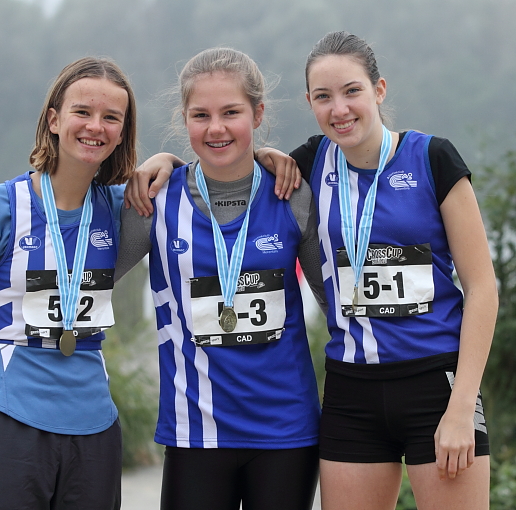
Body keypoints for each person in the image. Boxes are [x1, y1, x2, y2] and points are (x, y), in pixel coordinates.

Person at [132, 32, 498, 510]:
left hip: (437, 384)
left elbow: (482, 288)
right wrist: (167, 161)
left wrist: (462, 405)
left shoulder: (432, 159)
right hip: (352, 391)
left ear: (379, 90)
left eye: (351, 91)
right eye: (323, 97)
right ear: (309, 102)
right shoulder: (306, 167)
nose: (339, 109)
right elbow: (239, 164)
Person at [117, 47, 324, 510]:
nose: (216, 128)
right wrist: (9, 345)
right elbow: (86, 279)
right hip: (197, 430)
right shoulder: (156, 199)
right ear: (184, 119)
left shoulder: (292, 194)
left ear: (258, 113)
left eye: (231, 112)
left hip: (287, 429)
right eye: (200, 115)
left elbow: (336, 306)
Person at [0, 56, 137, 510]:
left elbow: (200, 181)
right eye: (82, 111)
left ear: (122, 132)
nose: (95, 126)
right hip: (7, 420)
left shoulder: (124, 209)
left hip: (94, 426)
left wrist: (266, 157)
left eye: (111, 117)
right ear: (54, 119)